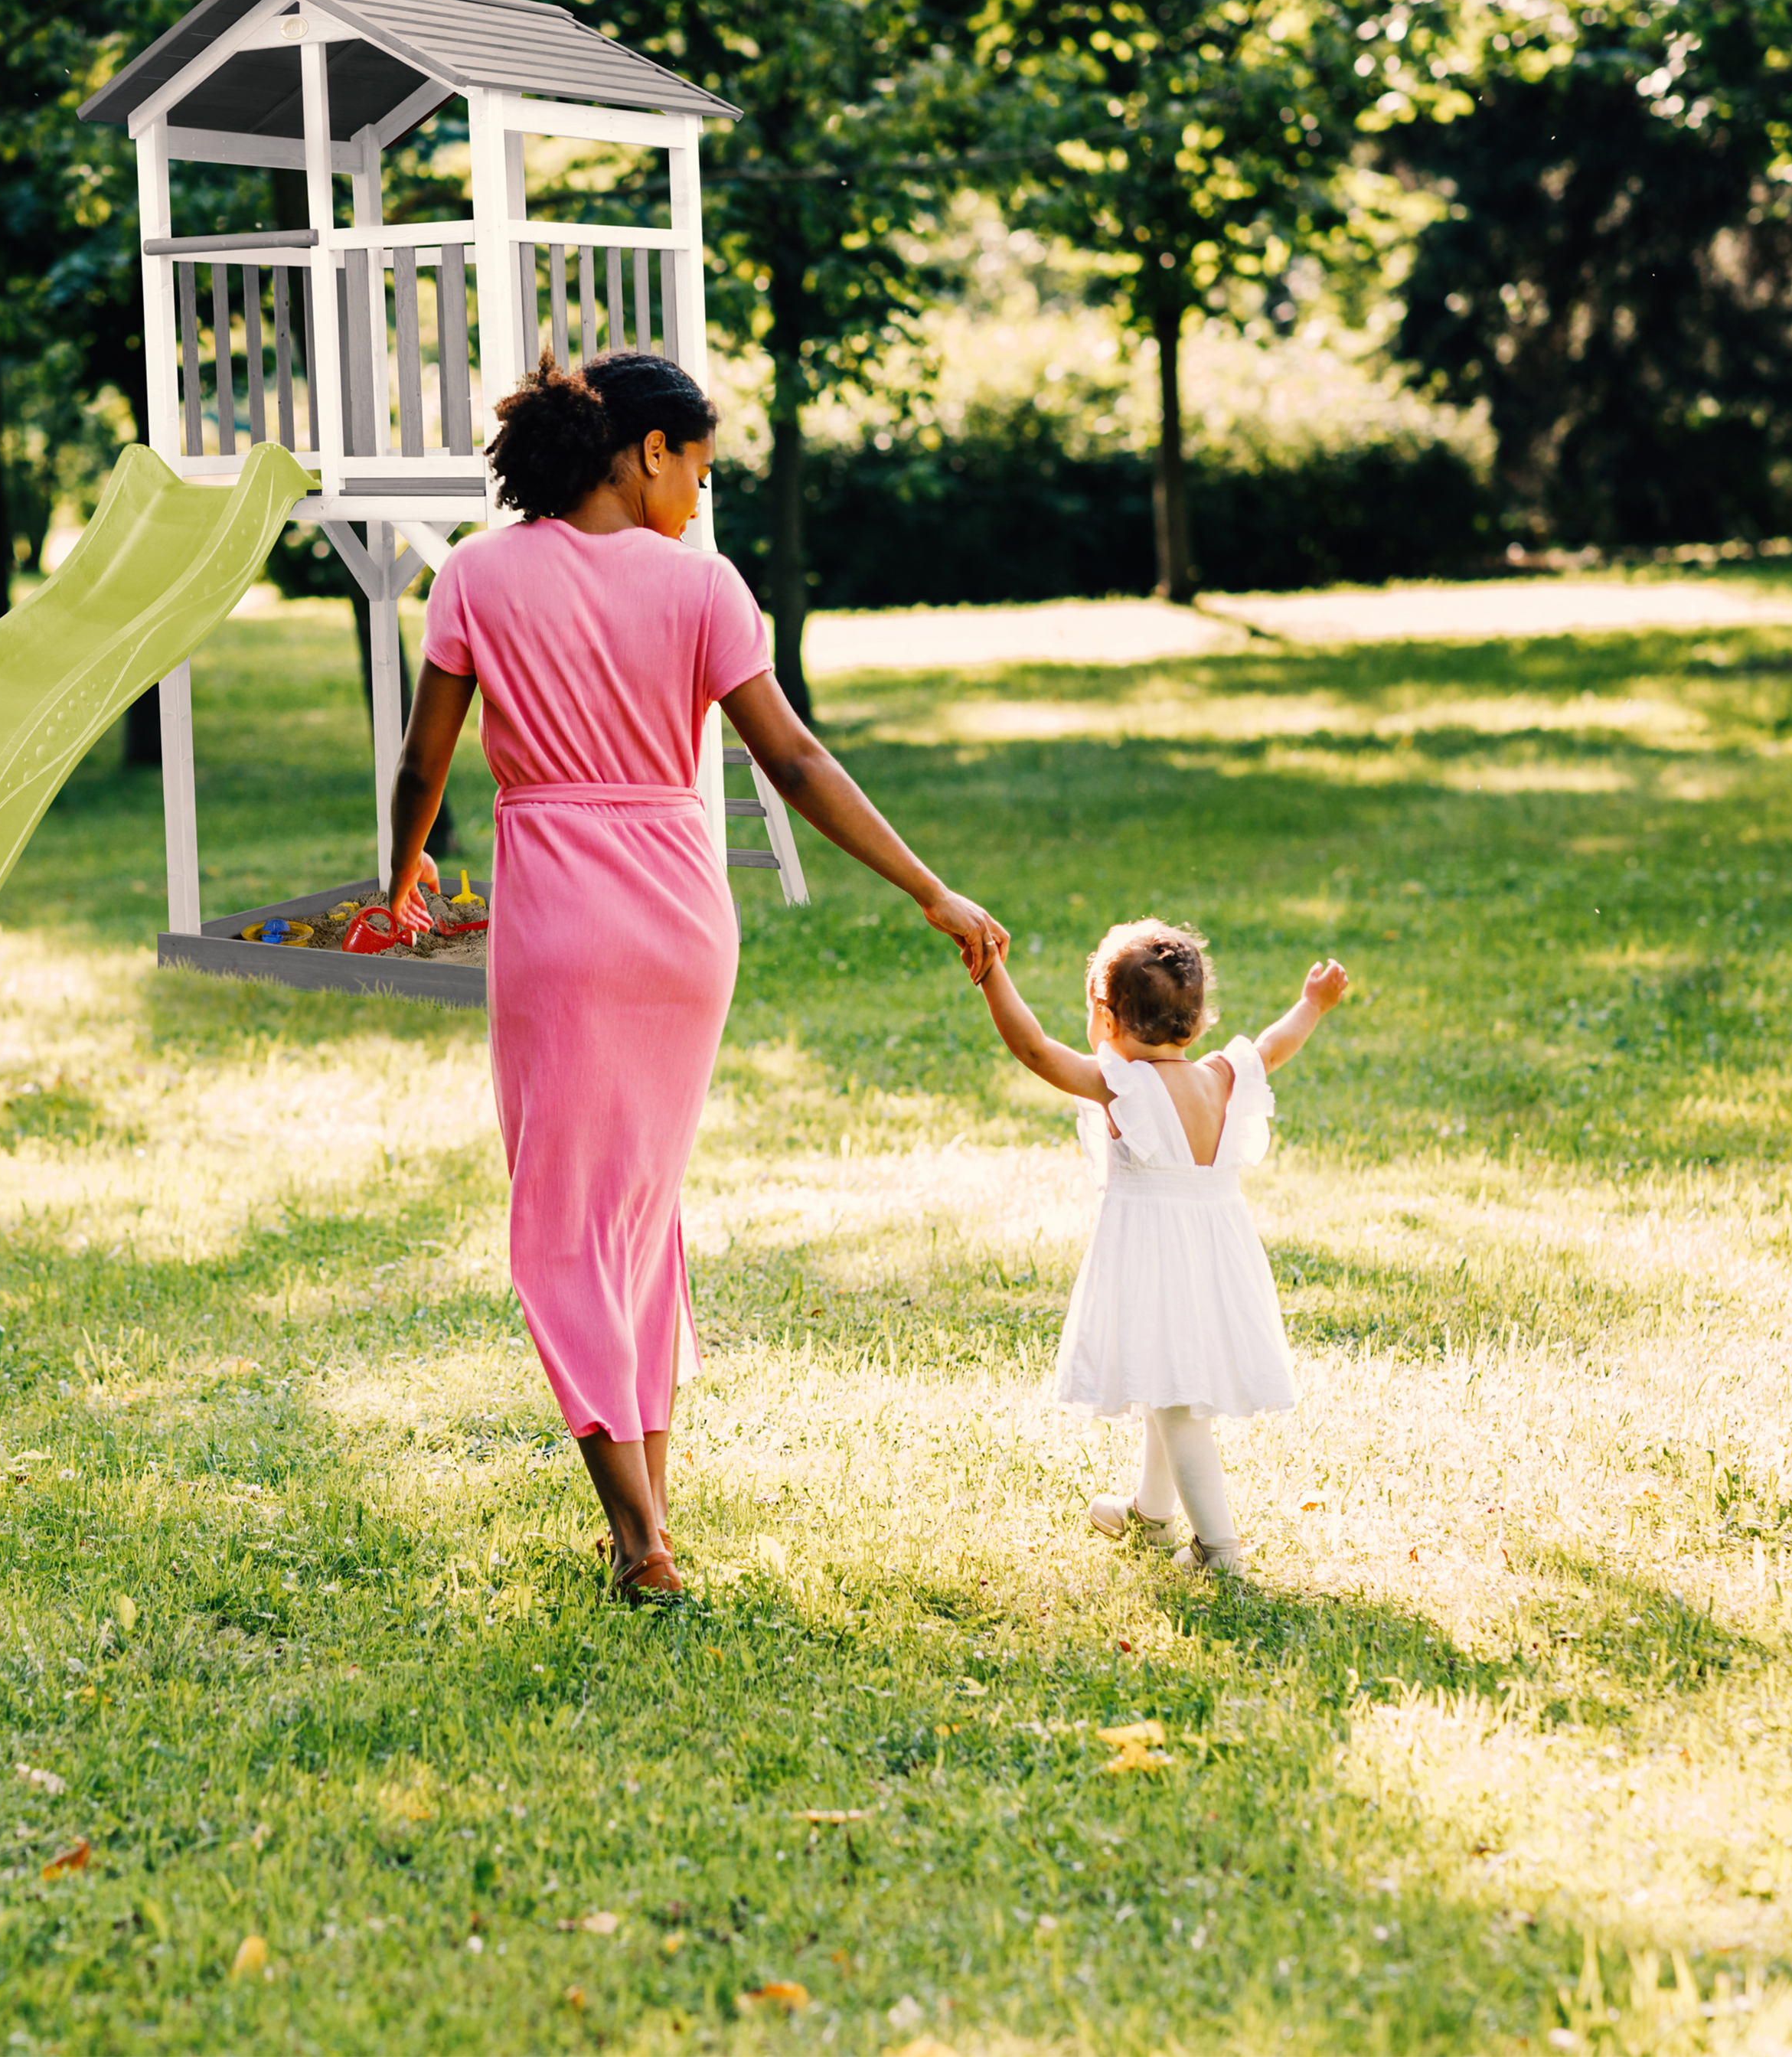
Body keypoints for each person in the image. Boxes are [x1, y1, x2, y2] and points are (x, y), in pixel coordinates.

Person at [382, 351, 1008, 1603]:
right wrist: (929, 887)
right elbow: (795, 761)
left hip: (558, 920)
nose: (701, 498)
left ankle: (639, 1541)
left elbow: (423, 763)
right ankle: (652, 1515)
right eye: (701, 469)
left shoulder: (475, 575)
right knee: (638, 1217)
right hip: (681, 921)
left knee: (563, 1226)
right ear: (647, 451)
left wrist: (398, 879)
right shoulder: (704, 588)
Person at [972, 920, 1350, 1575]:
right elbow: (1274, 1043)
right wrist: (1312, 1004)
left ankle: (1218, 1549)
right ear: (1198, 1021)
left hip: (1156, 1261)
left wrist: (991, 973)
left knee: (1177, 1405)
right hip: (1216, 1258)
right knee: (1163, 1380)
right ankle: (1151, 1514)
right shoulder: (1223, 1076)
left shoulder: (1123, 1087)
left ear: (1107, 1018)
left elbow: (1033, 1049)